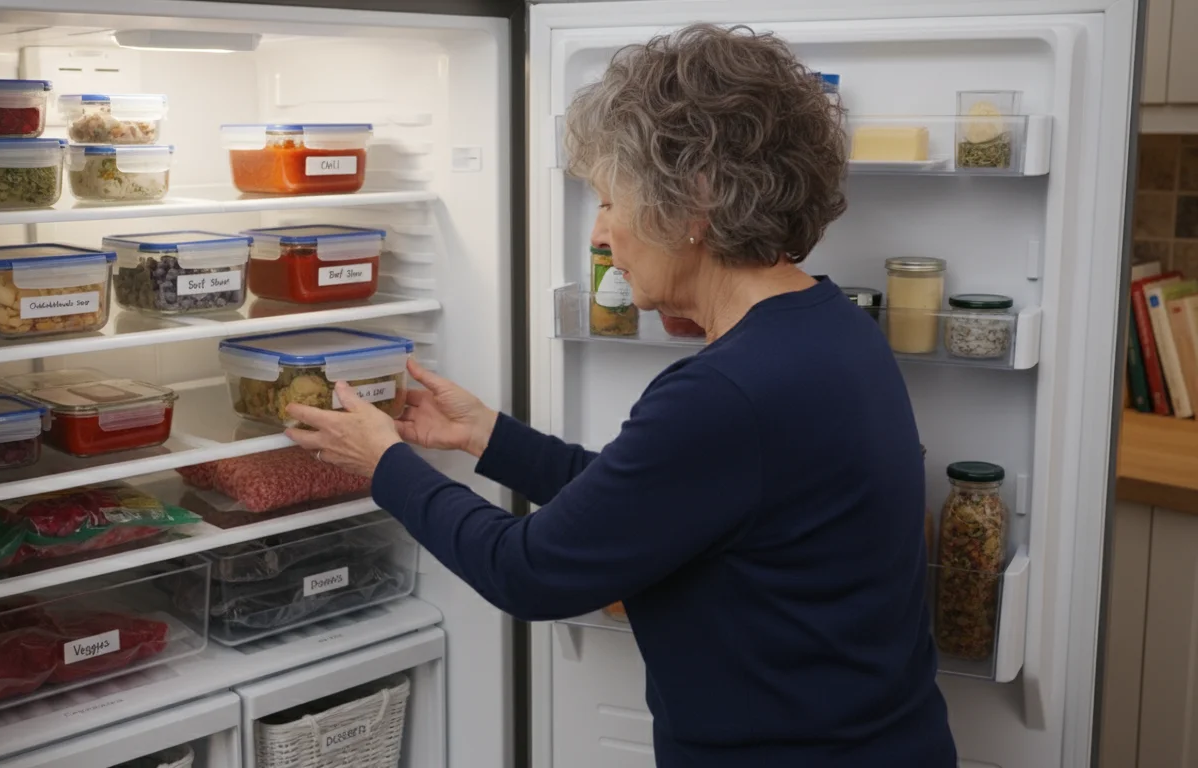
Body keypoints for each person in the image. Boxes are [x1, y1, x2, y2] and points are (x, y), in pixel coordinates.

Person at [285, 23, 957, 768]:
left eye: (610, 200)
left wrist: (385, 464)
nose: (601, 234)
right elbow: (661, 502)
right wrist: (488, 436)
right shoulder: (830, 329)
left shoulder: (726, 390)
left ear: (693, 201)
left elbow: (530, 570)